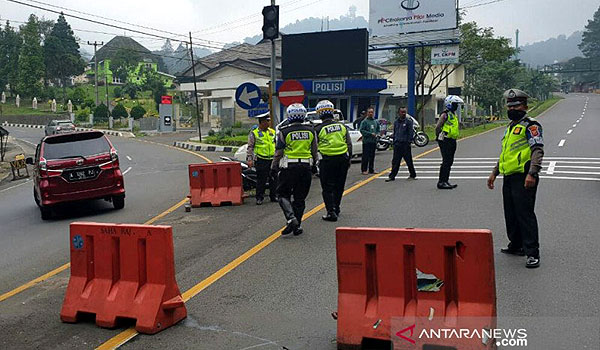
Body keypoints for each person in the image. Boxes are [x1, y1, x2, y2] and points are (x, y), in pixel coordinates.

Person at [487, 89, 544, 268]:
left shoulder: (531, 126)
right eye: (510, 105)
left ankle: (532, 252)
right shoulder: (510, 127)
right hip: (509, 176)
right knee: (510, 213)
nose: (512, 108)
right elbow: (506, 153)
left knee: (525, 214)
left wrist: (532, 173)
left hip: (524, 176)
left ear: (525, 106)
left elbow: (537, 150)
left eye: (516, 105)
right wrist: (494, 172)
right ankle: (516, 245)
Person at [271, 103, 319, 236]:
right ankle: (296, 225)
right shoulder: (311, 130)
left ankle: (291, 218)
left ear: (289, 116)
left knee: (281, 194)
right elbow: (315, 150)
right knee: (300, 198)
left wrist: (273, 167)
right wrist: (315, 166)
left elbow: (278, 152)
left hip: (289, 168)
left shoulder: (284, 131)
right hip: (306, 167)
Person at [314, 100, 352, 222]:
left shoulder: (318, 129)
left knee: (327, 187)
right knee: (339, 186)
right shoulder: (342, 126)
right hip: (342, 159)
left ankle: (330, 212)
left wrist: (315, 163)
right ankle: (337, 208)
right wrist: (349, 158)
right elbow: (349, 144)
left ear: (320, 114)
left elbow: (314, 147)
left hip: (327, 160)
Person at [246, 114, 277, 205]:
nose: (269, 123)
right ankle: (259, 197)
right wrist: (250, 159)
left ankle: (273, 196)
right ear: (262, 122)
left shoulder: (272, 132)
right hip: (261, 159)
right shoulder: (254, 133)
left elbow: (276, 143)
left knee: (274, 179)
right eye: (267, 121)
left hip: (272, 159)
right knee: (261, 180)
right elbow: (250, 147)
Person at [435, 95, 463, 189]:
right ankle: (441, 182)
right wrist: (438, 137)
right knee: (446, 161)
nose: (456, 106)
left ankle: (445, 180)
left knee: (449, 161)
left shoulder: (453, 114)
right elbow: (438, 127)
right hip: (445, 140)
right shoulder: (445, 114)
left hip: (452, 140)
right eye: (455, 104)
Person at [386, 107, 417, 182]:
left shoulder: (408, 122)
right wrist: (394, 141)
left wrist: (409, 142)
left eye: (404, 112)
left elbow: (410, 133)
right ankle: (392, 176)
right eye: (402, 112)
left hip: (405, 145)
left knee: (408, 161)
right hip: (397, 144)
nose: (403, 113)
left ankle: (412, 174)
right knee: (395, 161)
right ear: (399, 113)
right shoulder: (396, 122)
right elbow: (395, 132)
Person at [359, 107, 380, 175]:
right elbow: (361, 130)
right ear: (367, 113)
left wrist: (377, 134)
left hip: (373, 141)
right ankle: (364, 169)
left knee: (372, 156)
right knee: (365, 156)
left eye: (372, 112)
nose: (371, 113)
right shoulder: (364, 122)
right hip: (366, 141)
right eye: (369, 112)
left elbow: (378, 129)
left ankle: (371, 169)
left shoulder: (375, 121)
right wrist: (370, 134)